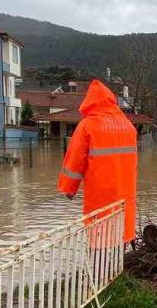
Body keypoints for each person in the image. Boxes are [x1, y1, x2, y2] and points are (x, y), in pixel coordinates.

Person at [58, 80, 138, 244]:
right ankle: (118, 267)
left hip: (100, 194)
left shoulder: (88, 125)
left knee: (99, 236)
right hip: (125, 191)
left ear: (89, 102)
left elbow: (75, 159)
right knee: (121, 232)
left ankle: (99, 268)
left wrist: (68, 188)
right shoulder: (128, 126)